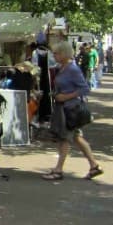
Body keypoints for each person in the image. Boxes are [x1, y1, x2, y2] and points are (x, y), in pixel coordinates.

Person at [43, 40, 103, 181]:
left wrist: (66, 96)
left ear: (64, 53)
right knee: (76, 137)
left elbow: (84, 89)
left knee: (65, 138)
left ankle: (58, 171)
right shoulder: (62, 67)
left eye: (56, 53)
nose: (54, 56)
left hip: (70, 109)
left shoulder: (72, 69)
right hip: (63, 108)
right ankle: (94, 165)